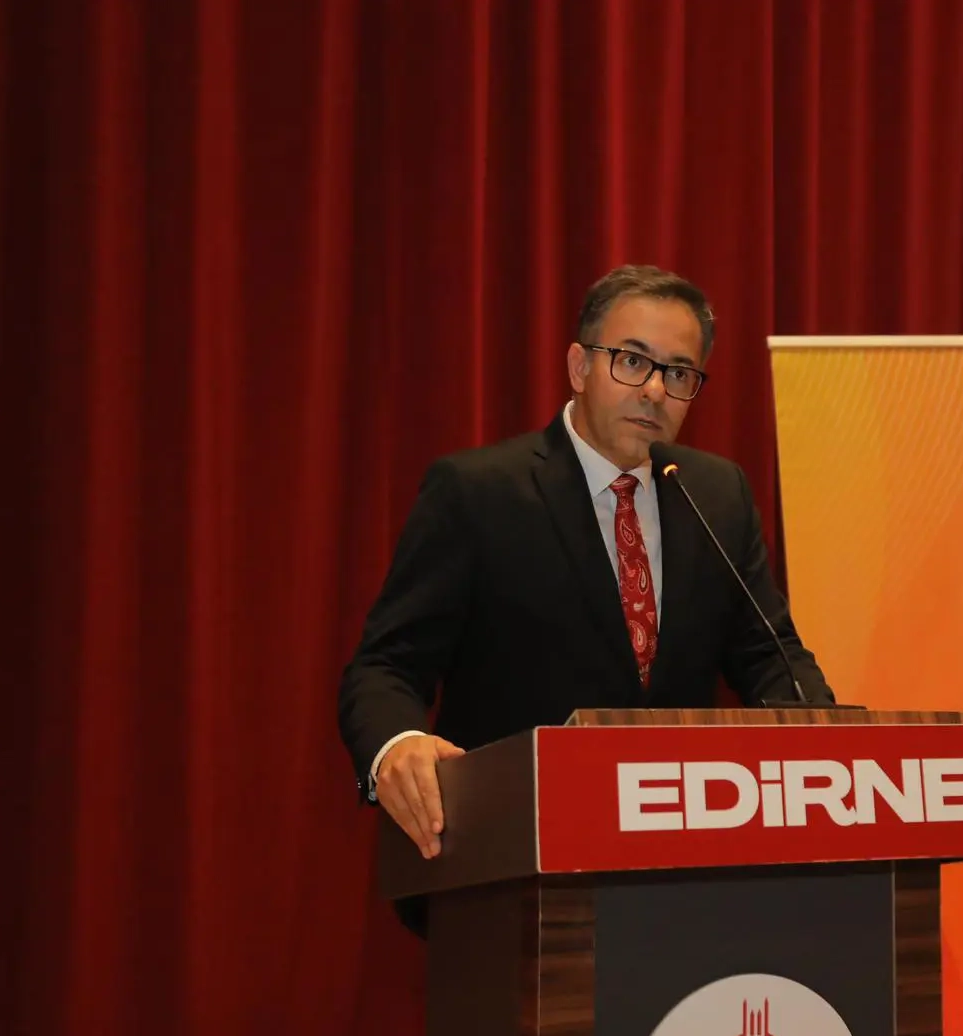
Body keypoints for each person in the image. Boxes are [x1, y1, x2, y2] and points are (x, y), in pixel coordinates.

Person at [336, 264, 836, 904]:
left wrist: (833, 749)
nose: (653, 390)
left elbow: (770, 654)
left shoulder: (716, 494)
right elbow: (385, 666)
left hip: (687, 872)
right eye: (632, 360)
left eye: (678, 373)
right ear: (579, 367)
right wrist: (396, 748)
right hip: (513, 870)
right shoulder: (479, 493)